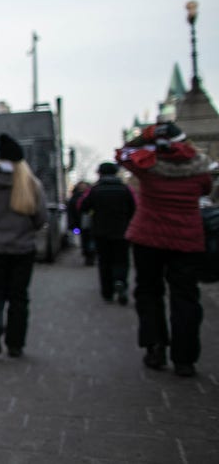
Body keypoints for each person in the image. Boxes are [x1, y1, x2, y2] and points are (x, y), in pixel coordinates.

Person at [117, 121, 215, 378]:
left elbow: (122, 154)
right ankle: (185, 359)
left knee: (148, 291)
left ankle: (155, 346)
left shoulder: (148, 166)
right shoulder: (199, 169)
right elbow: (207, 189)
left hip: (148, 237)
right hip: (186, 239)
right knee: (185, 297)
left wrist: (142, 140)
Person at [0, 132, 49, 358]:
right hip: (22, 250)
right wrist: (27, 231)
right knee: (19, 297)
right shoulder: (31, 183)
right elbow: (42, 217)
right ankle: (15, 344)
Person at [80, 162, 136, 304]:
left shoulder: (95, 190)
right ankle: (121, 281)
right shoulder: (125, 189)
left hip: (101, 232)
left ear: (100, 173)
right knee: (122, 260)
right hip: (122, 231)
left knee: (105, 261)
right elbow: (134, 209)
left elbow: (83, 207)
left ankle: (107, 292)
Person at [67, 181, 94, 265]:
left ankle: (90, 255)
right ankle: (88, 254)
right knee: (85, 238)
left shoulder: (90, 195)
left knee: (89, 239)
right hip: (81, 222)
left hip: (90, 222)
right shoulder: (75, 197)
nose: (82, 187)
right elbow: (70, 211)